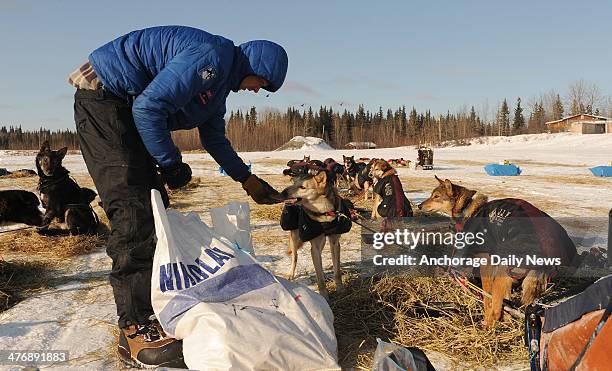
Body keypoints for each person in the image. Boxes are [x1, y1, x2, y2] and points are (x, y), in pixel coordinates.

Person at [68, 25, 288, 368]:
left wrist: (248, 180)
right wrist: (170, 164)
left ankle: (153, 311)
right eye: (263, 84)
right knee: (134, 212)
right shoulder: (212, 58)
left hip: (123, 107)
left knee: (155, 208)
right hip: (104, 99)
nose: (259, 91)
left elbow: (214, 139)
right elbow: (148, 108)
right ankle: (135, 329)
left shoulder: (216, 89)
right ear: (256, 67)